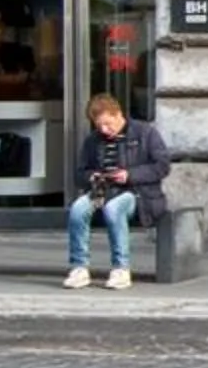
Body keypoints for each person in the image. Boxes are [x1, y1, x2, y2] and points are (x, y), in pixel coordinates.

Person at [64, 93, 171, 290]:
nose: (105, 130)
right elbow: (79, 174)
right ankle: (79, 267)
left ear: (118, 114)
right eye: (99, 126)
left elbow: (162, 166)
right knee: (78, 209)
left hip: (137, 193)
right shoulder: (93, 140)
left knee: (114, 209)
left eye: (108, 124)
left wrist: (129, 175)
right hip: (102, 190)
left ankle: (120, 268)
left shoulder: (144, 133)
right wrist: (92, 177)